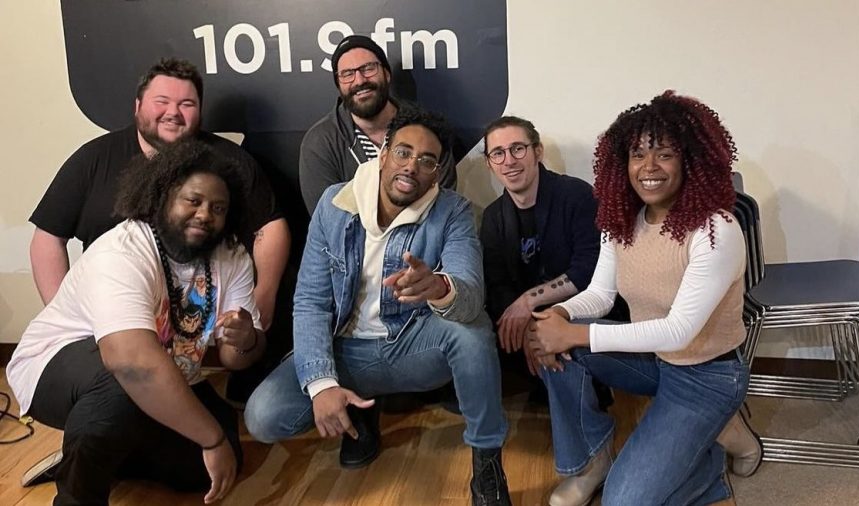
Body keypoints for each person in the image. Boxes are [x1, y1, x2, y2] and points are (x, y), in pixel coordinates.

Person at [245, 108, 511, 505]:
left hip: (410, 346)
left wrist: (438, 286)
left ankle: (487, 463)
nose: (412, 167)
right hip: (344, 349)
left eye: (427, 160)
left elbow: (470, 295)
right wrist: (321, 385)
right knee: (262, 417)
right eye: (403, 152)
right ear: (382, 154)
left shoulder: (451, 211)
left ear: (437, 172)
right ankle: (357, 406)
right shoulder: (333, 204)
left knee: (472, 332)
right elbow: (311, 301)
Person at [528, 91, 760, 506]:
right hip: (656, 362)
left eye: (665, 155)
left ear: (691, 161)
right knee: (551, 341)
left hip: (708, 376)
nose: (648, 167)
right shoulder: (621, 221)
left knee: (624, 502)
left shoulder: (716, 230)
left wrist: (575, 335)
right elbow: (600, 295)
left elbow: (678, 332)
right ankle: (592, 463)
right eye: (637, 154)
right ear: (623, 163)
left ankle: (712, 455)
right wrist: (558, 316)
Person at [7, 141, 267, 505]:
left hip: (165, 371)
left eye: (218, 207)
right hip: (57, 365)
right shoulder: (122, 251)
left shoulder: (231, 256)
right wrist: (212, 439)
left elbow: (235, 359)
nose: (205, 214)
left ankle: (97, 453)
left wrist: (245, 340)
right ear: (162, 196)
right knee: (120, 390)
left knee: (209, 468)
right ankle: (76, 492)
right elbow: (132, 363)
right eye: (193, 201)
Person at [28, 57, 289, 346]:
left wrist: (264, 293)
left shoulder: (230, 163)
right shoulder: (92, 160)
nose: (173, 113)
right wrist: (64, 313)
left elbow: (269, 226)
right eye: (161, 101)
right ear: (138, 106)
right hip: (109, 323)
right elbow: (47, 238)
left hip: (197, 338)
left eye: (187, 104)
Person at [480, 116, 626, 394]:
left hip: (579, 313)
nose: (509, 160)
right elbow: (497, 286)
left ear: (537, 151)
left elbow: (589, 271)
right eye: (498, 153)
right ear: (489, 163)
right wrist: (527, 331)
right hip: (529, 324)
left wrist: (529, 303)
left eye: (518, 148)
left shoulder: (576, 195)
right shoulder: (493, 217)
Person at [298, 34, 457, 215]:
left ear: (386, 74)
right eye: (347, 74)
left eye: (368, 68)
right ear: (338, 85)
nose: (359, 80)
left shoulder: (427, 130)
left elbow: (445, 209)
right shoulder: (320, 143)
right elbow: (329, 222)